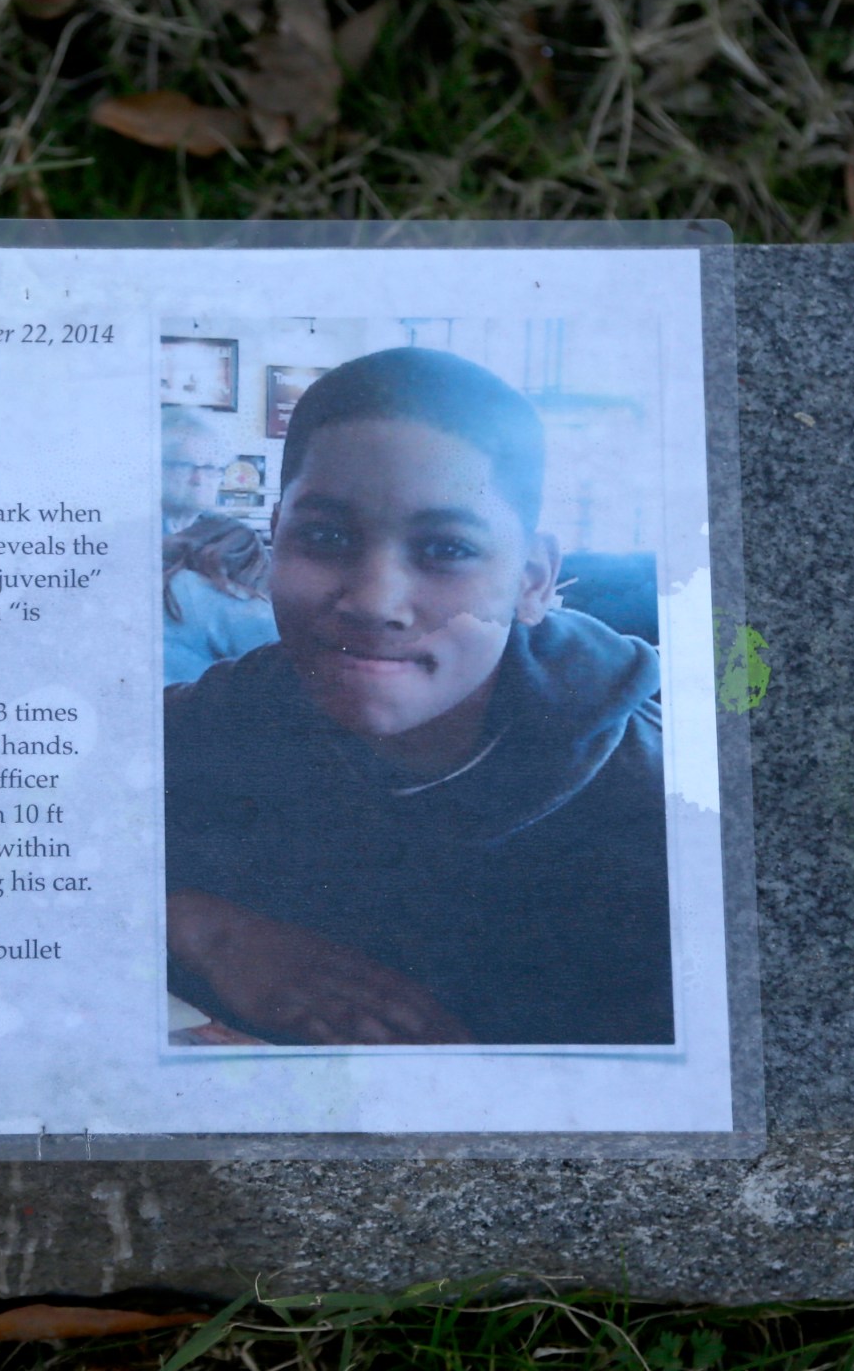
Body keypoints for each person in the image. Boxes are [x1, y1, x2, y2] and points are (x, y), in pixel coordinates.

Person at [163, 346, 671, 1047]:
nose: (374, 602)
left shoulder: (654, 817)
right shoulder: (248, 703)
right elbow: (41, 827)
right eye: (325, 536)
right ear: (275, 539)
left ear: (531, 580)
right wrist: (203, 928)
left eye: (447, 549)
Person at [161, 407, 278, 683]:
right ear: (156, 466)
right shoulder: (126, 538)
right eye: (186, 465)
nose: (200, 479)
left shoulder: (235, 535)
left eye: (212, 468)